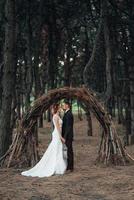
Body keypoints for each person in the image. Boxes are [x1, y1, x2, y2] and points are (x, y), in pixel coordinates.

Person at [21, 103, 67, 177]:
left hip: (57, 134)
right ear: (57, 108)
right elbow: (58, 128)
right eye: (59, 107)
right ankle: (55, 166)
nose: (60, 108)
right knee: (56, 149)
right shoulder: (55, 116)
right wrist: (61, 137)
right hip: (57, 134)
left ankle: (57, 167)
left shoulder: (57, 116)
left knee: (57, 149)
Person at [62, 100, 74, 172]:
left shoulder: (69, 114)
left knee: (69, 151)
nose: (63, 106)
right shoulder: (67, 113)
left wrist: (65, 137)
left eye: (64, 105)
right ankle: (69, 166)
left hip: (68, 136)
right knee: (68, 151)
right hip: (67, 136)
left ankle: (70, 167)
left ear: (67, 105)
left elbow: (68, 127)